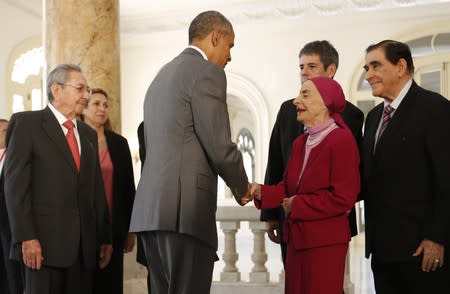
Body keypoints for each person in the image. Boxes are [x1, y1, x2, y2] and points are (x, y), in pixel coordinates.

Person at [129, 10, 251, 294]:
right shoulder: (207, 72)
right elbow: (219, 145)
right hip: (185, 212)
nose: (229, 56)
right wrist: (242, 187)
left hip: (151, 213)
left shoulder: (161, 76)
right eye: (229, 46)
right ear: (215, 36)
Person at [4, 64, 112, 294]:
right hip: (42, 249)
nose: (86, 95)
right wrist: (26, 237)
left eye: (87, 89)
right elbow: (15, 187)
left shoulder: (88, 134)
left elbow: (96, 191)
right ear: (56, 89)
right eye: (80, 88)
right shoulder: (27, 124)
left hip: (83, 252)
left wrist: (105, 237)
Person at [251, 77, 360, 294]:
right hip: (296, 240)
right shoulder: (301, 142)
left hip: (325, 243)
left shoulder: (341, 140)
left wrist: (298, 205)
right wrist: (260, 191)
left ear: (326, 102)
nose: (296, 101)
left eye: (305, 95)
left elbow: (343, 198)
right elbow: (287, 187)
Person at [261, 40, 364, 266]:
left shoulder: (351, 116)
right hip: (290, 218)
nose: (304, 72)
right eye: (301, 67)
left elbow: (352, 175)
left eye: (312, 66)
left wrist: (329, 208)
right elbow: (276, 161)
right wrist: (269, 214)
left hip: (328, 221)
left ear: (331, 70)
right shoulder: (288, 110)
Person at [361, 40, 450, 293]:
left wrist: (437, 237)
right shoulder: (374, 117)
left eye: (375, 65)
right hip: (382, 252)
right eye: (367, 68)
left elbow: (446, 180)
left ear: (400, 66)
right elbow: (371, 176)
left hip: (422, 251)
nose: (368, 75)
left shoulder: (435, 109)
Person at [81, 88, 136, 294]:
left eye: (105, 105)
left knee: (110, 285)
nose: (102, 109)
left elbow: (129, 189)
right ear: (84, 109)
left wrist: (131, 229)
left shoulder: (119, 143)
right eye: (96, 104)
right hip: (82, 228)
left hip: (114, 226)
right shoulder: (74, 141)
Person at [0, 118, 24, 294]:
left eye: (8, 130)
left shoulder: (15, 154)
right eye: (3, 131)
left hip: (9, 224)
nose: (7, 134)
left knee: (12, 273)